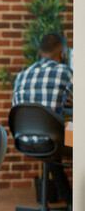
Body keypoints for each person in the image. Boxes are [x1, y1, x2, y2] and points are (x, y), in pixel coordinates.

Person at [12, 33, 73, 208]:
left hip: (23, 140)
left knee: (54, 140)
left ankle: (70, 201)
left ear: (40, 52)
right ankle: (75, 201)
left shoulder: (22, 74)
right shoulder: (66, 72)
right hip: (52, 141)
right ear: (62, 53)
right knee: (72, 127)